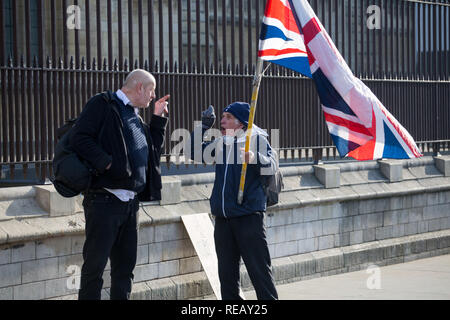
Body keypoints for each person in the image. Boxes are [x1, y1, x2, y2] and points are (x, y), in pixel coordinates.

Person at [69, 69, 170, 300]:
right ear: (139, 88)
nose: (153, 96)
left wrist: (158, 119)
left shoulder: (135, 116)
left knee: (124, 270)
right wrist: (108, 164)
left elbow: (152, 153)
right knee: (94, 268)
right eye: (151, 90)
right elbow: (79, 138)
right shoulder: (103, 103)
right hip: (104, 201)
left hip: (130, 205)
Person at [190, 102, 279, 300]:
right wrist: (203, 126)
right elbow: (193, 152)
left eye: (228, 117)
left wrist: (254, 157)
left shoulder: (257, 139)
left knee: (260, 273)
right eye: (222, 117)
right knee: (227, 277)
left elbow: (272, 166)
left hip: (248, 217)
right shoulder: (222, 142)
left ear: (241, 123)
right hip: (223, 218)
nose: (222, 121)